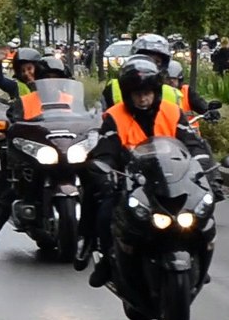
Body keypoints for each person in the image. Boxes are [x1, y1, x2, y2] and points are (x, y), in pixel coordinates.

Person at [78, 57, 216, 287]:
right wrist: (106, 171)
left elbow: (193, 144)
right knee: (105, 212)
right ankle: (106, 261)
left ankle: (198, 255)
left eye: (147, 92)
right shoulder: (114, 116)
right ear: (128, 94)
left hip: (173, 179)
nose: (143, 98)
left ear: (156, 92)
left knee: (203, 209)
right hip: (132, 182)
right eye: (136, 93)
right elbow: (106, 150)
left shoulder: (172, 112)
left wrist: (206, 171)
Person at [0, 53, 73, 246]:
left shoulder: (71, 99)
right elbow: (14, 121)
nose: (52, 83)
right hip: (36, 152)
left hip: (66, 150)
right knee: (15, 186)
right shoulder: (26, 100)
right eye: (48, 79)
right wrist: (8, 131)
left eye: (57, 79)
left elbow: (85, 120)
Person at [99, 33, 180, 109]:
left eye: (157, 61)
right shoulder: (114, 88)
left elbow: (179, 120)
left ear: (163, 66)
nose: (149, 65)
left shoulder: (172, 94)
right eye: (144, 58)